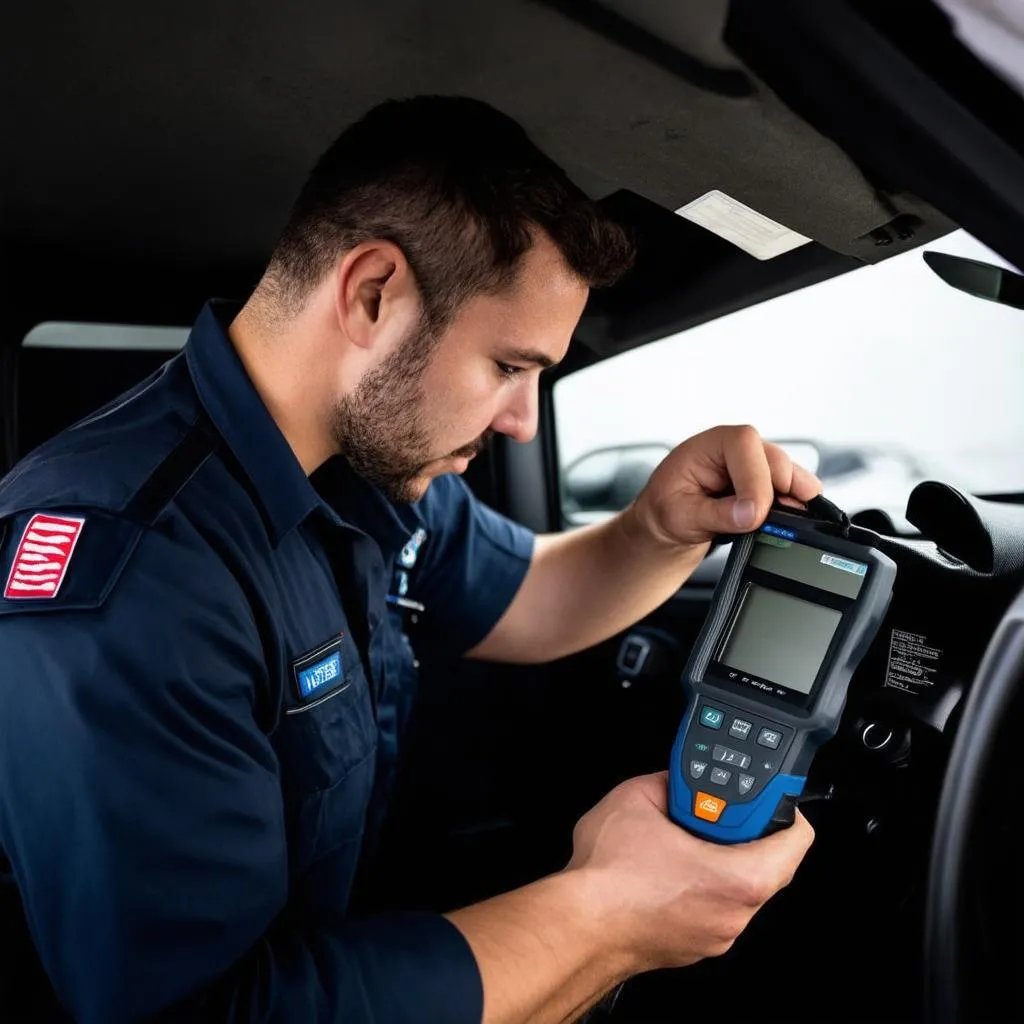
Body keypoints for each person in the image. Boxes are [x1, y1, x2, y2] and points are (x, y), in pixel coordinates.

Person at [0, 95, 818, 1024]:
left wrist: (657, 530)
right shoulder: (133, 576)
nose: (521, 421)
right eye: (509, 366)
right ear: (372, 294)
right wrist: (608, 915)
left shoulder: (367, 472)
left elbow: (531, 598)